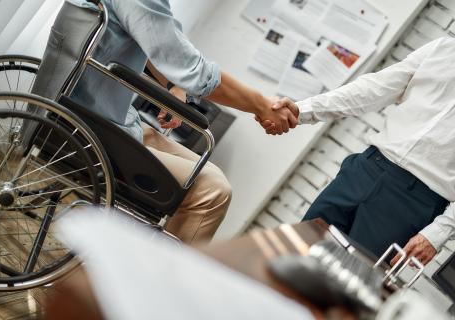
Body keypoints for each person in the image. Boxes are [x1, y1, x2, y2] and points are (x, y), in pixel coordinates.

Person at [66, 0, 296, 244]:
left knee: (211, 174)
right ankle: (160, 280)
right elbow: (196, 73)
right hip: (92, 127)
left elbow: (150, 36)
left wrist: (173, 85)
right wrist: (262, 105)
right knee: (212, 193)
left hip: (99, 115)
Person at [260, 37, 455, 265]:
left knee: (341, 291)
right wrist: (300, 110)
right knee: (292, 258)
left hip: (413, 204)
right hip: (366, 169)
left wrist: (438, 232)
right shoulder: (443, 48)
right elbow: (374, 89)